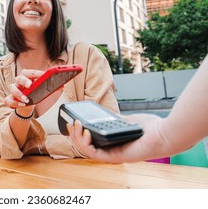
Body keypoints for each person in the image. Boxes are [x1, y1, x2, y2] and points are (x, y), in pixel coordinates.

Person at [0, 0, 119, 159]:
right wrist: (23, 110)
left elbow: (108, 136)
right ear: (12, 8)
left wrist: (33, 146)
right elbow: (4, 145)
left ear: (54, 11)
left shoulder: (87, 57)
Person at [68, 54, 208, 163]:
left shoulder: (88, 55)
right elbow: (168, 136)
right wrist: (162, 135)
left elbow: (168, 136)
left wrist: (163, 135)